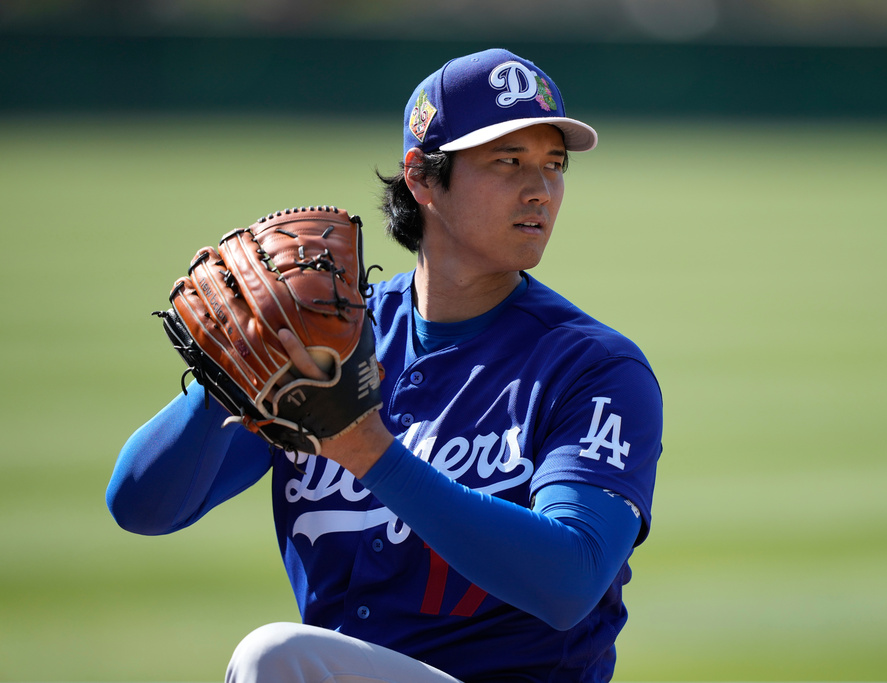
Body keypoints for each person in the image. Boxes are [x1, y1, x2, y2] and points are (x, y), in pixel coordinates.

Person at [107, 47, 663, 683]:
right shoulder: (327, 340)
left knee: (277, 659)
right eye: (508, 161)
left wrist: (370, 451)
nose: (541, 189)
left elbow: (572, 579)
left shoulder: (594, 368)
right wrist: (229, 372)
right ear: (423, 178)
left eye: (554, 165)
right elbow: (141, 508)